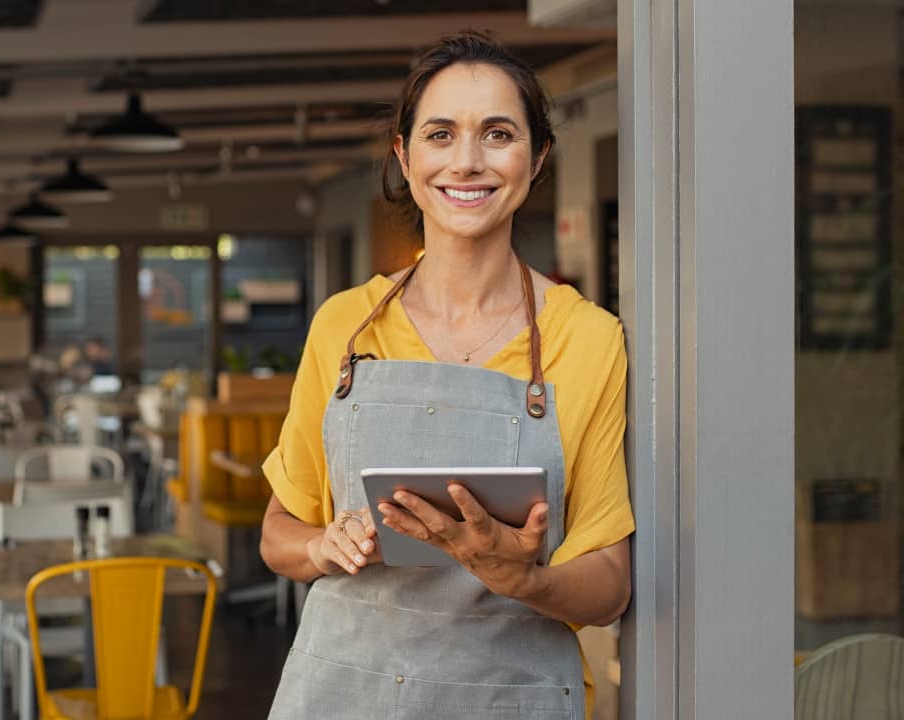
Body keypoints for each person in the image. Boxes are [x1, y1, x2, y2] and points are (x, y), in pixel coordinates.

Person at [260, 31, 633, 720]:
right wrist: (320, 545)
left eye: (498, 134)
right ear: (405, 155)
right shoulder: (345, 326)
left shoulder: (589, 339)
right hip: (343, 694)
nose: (467, 162)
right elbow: (279, 529)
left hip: (511, 698)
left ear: (537, 156)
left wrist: (522, 576)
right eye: (440, 134)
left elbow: (610, 583)